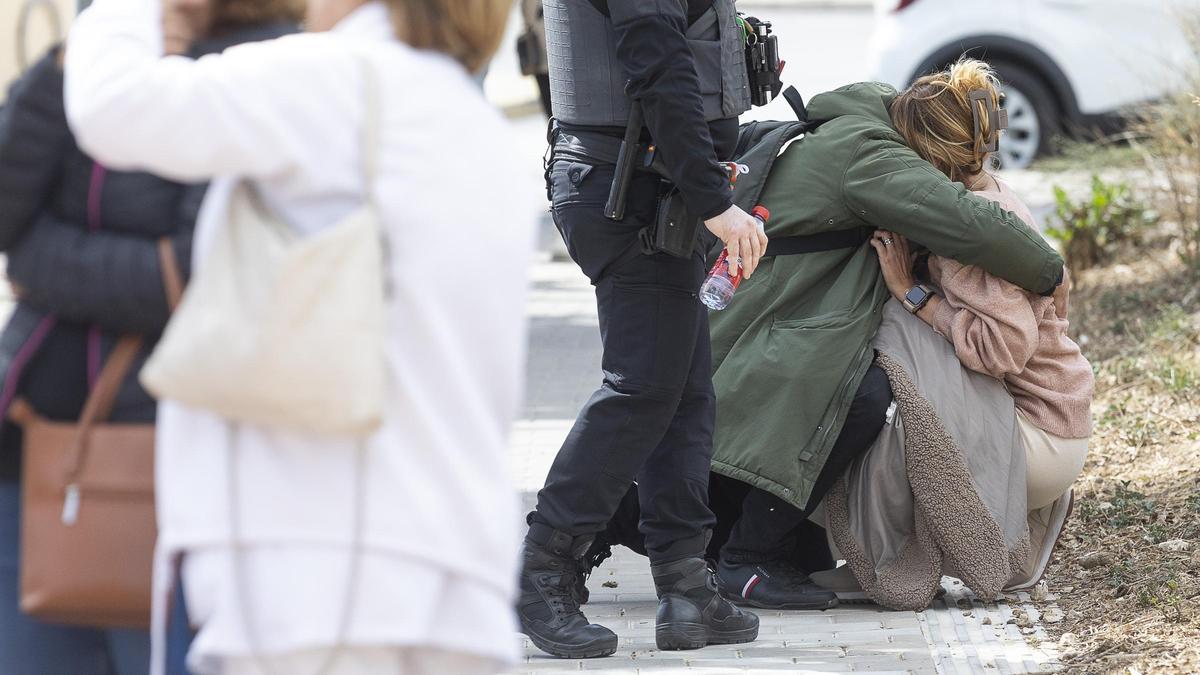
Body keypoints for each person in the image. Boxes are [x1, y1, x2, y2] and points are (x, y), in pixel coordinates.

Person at [64, 0, 531, 673]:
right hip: (452, 573)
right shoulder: (471, 124)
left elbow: (114, 104)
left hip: (319, 578)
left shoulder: (329, 79)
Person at [582, 62, 1070, 610]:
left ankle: (626, 535)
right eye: (949, 164)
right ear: (930, 144)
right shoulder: (875, 157)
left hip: (783, 307)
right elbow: (969, 222)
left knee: (759, 447)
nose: (952, 176)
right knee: (854, 401)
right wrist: (1050, 271)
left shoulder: (876, 116)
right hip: (769, 316)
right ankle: (744, 556)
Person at [0, 2, 298, 673]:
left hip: (181, 463)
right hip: (33, 445)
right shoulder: (104, 47)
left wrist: (35, 260)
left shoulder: (270, 64)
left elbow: (194, 274)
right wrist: (64, 68)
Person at [519, 0, 766, 658]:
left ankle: (687, 588)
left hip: (649, 186)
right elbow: (656, 61)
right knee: (642, 389)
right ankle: (542, 568)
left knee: (683, 392)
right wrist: (715, 202)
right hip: (630, 189)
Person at [828, 58, 1092, 603]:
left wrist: (913, 294)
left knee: (895, 340)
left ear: (926, 157)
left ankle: (889, 562)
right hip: (1056, 421)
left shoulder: (971, 231)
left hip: (1039, 434)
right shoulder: (981, 198)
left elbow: (1005, 347)